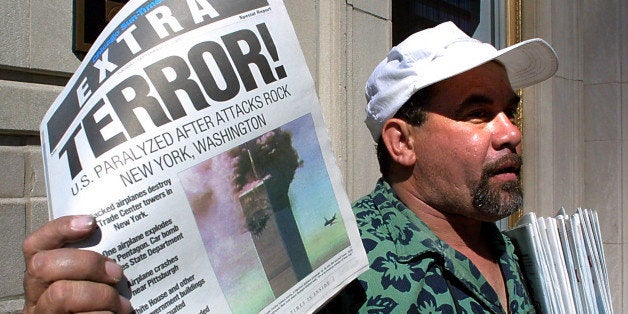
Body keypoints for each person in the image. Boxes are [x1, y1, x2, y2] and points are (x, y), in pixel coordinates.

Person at [22, 21, 558, 313]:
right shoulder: (343, 274)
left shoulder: (520, 250)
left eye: (508, 109)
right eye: (477, 112)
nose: (510, 131)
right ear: (401, 143)